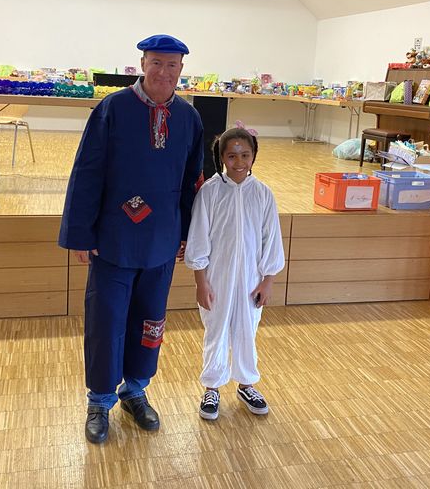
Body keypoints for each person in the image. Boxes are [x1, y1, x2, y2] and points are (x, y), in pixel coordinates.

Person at [59, 34, 204, 444]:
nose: (163, 72)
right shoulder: (113, 108)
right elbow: (87, 172)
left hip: (162, 240)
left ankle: (136, 390)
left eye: (171, 65)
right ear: (142, 64)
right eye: (156, 63)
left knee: (150, 320)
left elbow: (193, 181)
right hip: (114, 238)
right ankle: (100, 399)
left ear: (181, 70)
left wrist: (188, 233)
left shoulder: (189, 118)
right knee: (106, 322)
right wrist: (82, 233)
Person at [184, 124, 285, 420]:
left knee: (246, 330)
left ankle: (246, 384)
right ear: (221, 158)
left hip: (251, 281)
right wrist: (201, 283)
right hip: (217, 278)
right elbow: (199, 239)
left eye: (245, 155)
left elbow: (271, 240)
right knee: (216, 331)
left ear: (254, 156)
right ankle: (212, 387)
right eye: (231, 156)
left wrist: (267, 281)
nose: (239, 162)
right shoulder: (210, 192)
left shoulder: (263, 194)